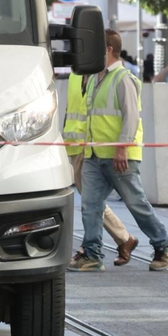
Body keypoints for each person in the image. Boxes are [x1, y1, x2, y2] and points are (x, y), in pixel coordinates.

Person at [70, 30, 168, 272]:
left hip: (120, 156)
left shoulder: (123, 78)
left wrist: (122, 147)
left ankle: (163, 245)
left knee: (136, 204)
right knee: (90, 206)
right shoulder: (96, 78)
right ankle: (93, 254)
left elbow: (131, 117)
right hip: (95, 155)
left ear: (107, 49)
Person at [62, 71, 138, 266]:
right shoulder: (75, 75)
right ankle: (121, 240)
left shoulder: (99, 76)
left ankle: (97, 248)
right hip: (74, 143)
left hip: (85, 145)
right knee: (90, 200)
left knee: (91, 201)